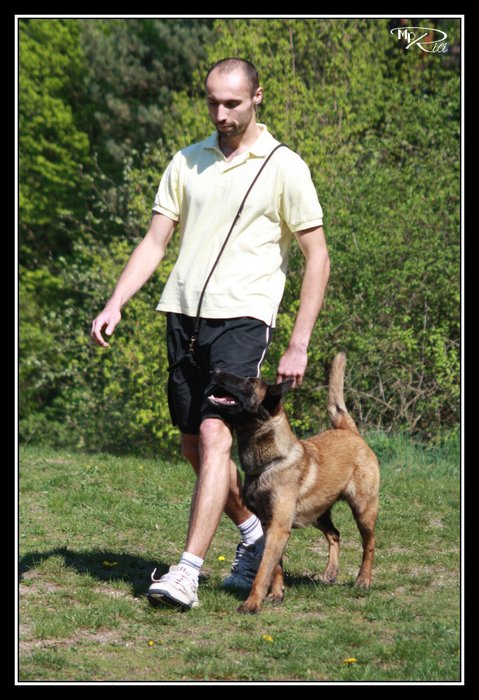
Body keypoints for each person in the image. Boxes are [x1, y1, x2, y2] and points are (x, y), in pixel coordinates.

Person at [91, 57, 330, 610]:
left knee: (218, 436)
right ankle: (252, 533)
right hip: (182, 317)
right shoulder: (187, 160)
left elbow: (317, 256)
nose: (221, 114)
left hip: (244, 317)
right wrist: (115, 302)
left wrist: (299, 341)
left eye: (232, 103)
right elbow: (155, 241)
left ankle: (187, 573)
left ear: (257, 97)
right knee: (195, 448)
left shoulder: (284, 166)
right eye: (213, 103)